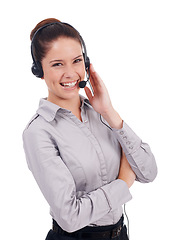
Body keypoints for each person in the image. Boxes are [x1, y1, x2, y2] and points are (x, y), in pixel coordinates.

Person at [22, 18, 157, 240]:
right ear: (39, 70)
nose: (71, 73)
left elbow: (149, 172)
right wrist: (124, 182)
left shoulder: (101, 114)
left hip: (120, 234)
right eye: (57, 64)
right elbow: (70, 217)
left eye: (76, 61)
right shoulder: (38, 132)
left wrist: (110, 112)